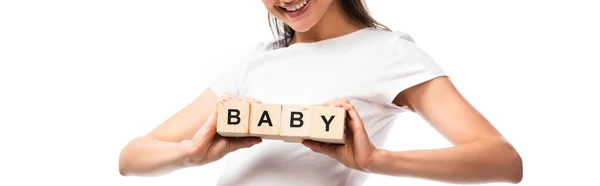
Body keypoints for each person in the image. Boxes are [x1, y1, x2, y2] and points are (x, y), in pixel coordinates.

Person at [118, 0, 523, 185]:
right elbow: (131, 158)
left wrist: (376, 161)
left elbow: (503, 161)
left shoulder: (388, 52)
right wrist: (192, 153)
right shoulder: (255, 63)